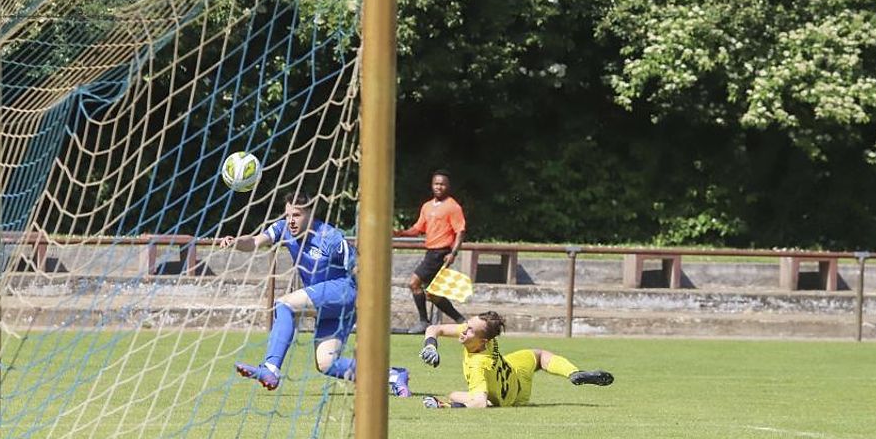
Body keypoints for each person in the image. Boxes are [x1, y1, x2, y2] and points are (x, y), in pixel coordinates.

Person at [220, 191, 411, 397]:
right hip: (327, 304)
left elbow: (361, 268)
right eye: (288, 215)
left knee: (284, 304)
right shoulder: (283, 228)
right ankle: (393, 375)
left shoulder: (331, 237)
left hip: (344, 292)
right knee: (327, 363)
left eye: (297, 215)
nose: (291, 221)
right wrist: (235, 241)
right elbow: (255, 241)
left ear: (311, 214)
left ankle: (271, 368)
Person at [417, 311, 613, 408]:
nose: (463, 330)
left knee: (467, 396)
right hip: (513, 368)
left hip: (514, 397)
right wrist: (430, 344)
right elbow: (435, 328)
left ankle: (449, 403)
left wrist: (451, 397)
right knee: (539, 355)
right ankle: (573, 372)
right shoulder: (485, 339)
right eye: (466, 325)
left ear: (483, 341)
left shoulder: (479, 365)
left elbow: (479, 403)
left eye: (469, 330)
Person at [393, 170, 467, 334]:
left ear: (448, 186)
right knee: (433, 294)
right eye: (436, 184)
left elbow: (460, 231)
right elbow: (418, 228)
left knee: (414, 283)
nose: (439, 187)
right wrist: (401, 233)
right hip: (430, 252)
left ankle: (423, 322)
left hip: (440, 252)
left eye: (442, 184)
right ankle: (461, 321)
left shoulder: (453, 206)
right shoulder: (427, 206)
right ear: (432, 185)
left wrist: (453, 253)